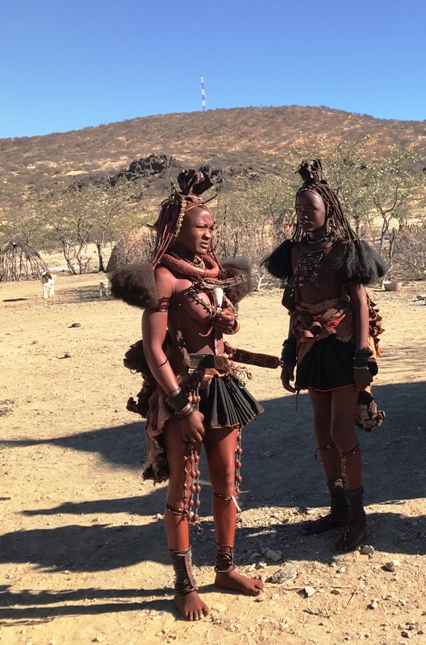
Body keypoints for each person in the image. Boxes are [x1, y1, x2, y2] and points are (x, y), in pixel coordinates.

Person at [111, 169, 265, 620]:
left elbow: (218, 327)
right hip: (185, 395)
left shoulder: (213, 275)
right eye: (201, 226)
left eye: (212, 227)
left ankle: (224, 569)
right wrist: (179, 405)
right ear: (176, 229)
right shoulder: (164, 278)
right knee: (182, 490)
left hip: (222, 387)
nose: (208, 234)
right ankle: (184, 585)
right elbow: (154, 349)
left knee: (225, 483)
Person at [265, 158, 386, 553]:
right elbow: (295, 308)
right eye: (299, 209)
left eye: (311, 208)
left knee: (340, 430)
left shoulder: (345, 251)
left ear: (328, 209)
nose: (303, 215)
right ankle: (337, 509)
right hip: (310, 349)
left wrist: (362, 355)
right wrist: (288, 354)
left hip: (342, 347)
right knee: (321, 431)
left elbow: (360, 304)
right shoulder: (296, 253)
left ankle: (358, 517)